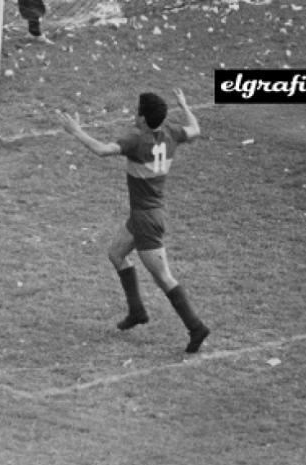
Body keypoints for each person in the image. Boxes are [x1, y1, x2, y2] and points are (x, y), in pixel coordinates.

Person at [59, 90, 212, 353]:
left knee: (164, 278)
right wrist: (185, 106)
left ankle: (196, 327)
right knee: (116, 253)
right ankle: (137, 311)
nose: (134, 112)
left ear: (142, 118)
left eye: (136, 109)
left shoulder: (136, 139)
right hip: (150, 213)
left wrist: (75, 131)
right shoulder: (171, 132)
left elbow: (102, 150)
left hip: (145, 221)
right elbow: (195, 130)